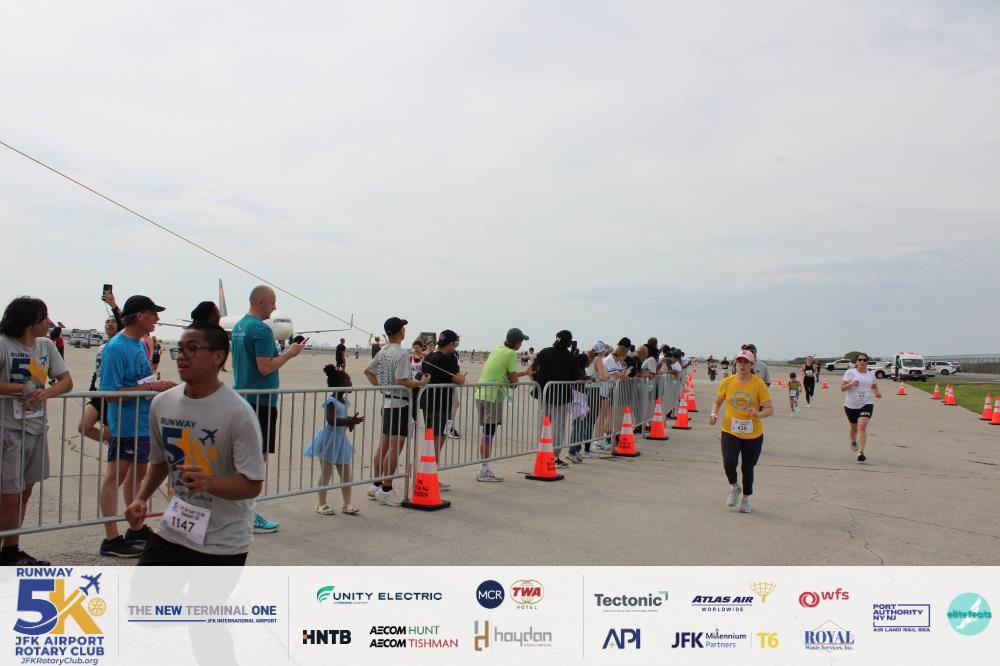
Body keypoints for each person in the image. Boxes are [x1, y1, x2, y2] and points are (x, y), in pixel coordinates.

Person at [125, 323, 265, 565]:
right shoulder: (162, 403)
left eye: (192, 348)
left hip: (223, 542)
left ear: (218, 357)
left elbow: (252, 484)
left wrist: (209, 483)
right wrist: (141, 498)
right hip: (173, 531)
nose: (182, 356)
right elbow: (160, 462)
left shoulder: (238, 413)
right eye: (179, 349)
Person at [97, 295, 177, 557]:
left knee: (139, 475)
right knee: (115, 477)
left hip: (143, 422)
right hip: (126, 424)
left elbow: (142, 380)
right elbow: (109, 393)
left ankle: (136, 528)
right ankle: (111, 538)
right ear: (141, 316)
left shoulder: (140, 343)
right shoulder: (116, 348)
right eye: (154, 314)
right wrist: (153, 386)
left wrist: (156, 388)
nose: (157, 319)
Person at [0, 296, 73, 566]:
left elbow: (66, 380)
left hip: (36, 428)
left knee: (25, 492)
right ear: (30, 321)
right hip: (8, 431)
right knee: (8, 497)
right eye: (44, 318)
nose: (48, 323)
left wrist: (46, 393)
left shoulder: (46, 346)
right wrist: (20, 388)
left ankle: (11, 550)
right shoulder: (3, 345)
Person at [231, 285, 305, 533]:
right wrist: (290, 353)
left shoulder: (239, 326)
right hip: (260, 402)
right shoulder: (261, 329)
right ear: (261, 302)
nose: (275, 307)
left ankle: (238, 510)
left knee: (242, 458)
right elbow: (265, 367)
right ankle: (248, 513)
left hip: (243, 397)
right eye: (273, 302)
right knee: (256, 460)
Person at [364, 317, 429, 506]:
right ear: (400, 331)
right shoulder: (400, 353)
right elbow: (402, 381)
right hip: (399, 404)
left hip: (387, 402)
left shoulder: (384, 350)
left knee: (384, 444)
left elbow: (368, 371)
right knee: (395, 447)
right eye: (403, 328)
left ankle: (377, 484)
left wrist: (382, 388)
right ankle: (386, 488)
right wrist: (421, 383)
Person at [709, 349, 773, 514]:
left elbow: (770, 409)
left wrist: (758, 414)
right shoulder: (728, 382)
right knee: (729, 463)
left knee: (747, 467)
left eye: (746, 362)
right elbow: (718, 402)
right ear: (736, 363)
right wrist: (713, 414)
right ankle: (735, 487)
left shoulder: (758, 384)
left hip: (753, 433)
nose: (742, 365)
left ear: (752, 364)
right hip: (730, 430)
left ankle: (746, 498)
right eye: (740, 361)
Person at [474, 328, 533, 481]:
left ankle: (484, 467)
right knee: (489, 434)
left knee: (486, 434)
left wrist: (525, 373)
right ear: (517, 342)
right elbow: (512, 380)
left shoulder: (497, 349)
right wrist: (516, 382)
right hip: (493, 396)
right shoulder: (511, 354)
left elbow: (505, 375)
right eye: (521, 342)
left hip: (481, 394)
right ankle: (484, 470)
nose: (521, 345)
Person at [305, 365, 364, 516]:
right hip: (328, 440)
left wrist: (351, 421)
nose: (351, 383)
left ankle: (347, 504)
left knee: (346, 474)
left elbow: (341, 418)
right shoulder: (331, 401)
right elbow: (331, 420)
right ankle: (321, 504)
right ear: (340, 384)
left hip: (340, 441)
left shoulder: (344, 401)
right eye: (348, 380)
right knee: (326, 473)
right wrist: (348, 421)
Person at [532, 331, 581, 469]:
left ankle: (543, 453)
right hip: (561, 396)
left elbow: (534, 368)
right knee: (558, 428)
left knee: (544, 425)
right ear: (569, 342)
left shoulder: (545, 352)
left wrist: (538, 381)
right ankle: (553, 457)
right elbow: (575, 376)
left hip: (544, 394)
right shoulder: (570, 357)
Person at [420, 330, 465, 476]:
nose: (455, 347)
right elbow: (460, 379)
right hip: (440, 404)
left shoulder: (429, 356)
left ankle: (427, 473)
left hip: (427, 402)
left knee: (431, 440)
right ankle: (430, 475)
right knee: (437, 440)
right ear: (451, 344)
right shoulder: (446, 359)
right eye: (455, 344)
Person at [78, 314, 120, 444]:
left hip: (111, 396)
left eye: (113, 321)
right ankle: (112, 444)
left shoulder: (120, 346)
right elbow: (97, 370)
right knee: (83, 427)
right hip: (97, 394)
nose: (110, 324)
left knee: (109, 432)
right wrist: (92, 388)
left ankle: (115, 448)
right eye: (107, 322)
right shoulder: (101, 348)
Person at [842, 353, 881, 463]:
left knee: (862, 426)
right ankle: (853, 440)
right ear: (856, 362)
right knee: (854, 428)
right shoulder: (850, 373)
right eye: (860, 359)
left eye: (864, 360)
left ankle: (861, 452)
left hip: (866, 403)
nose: (862, 361)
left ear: (867, 362)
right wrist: (851, 384)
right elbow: (842, 388)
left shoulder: (871, 374)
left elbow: (874, 386)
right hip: (851, 405)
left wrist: (876, 393)